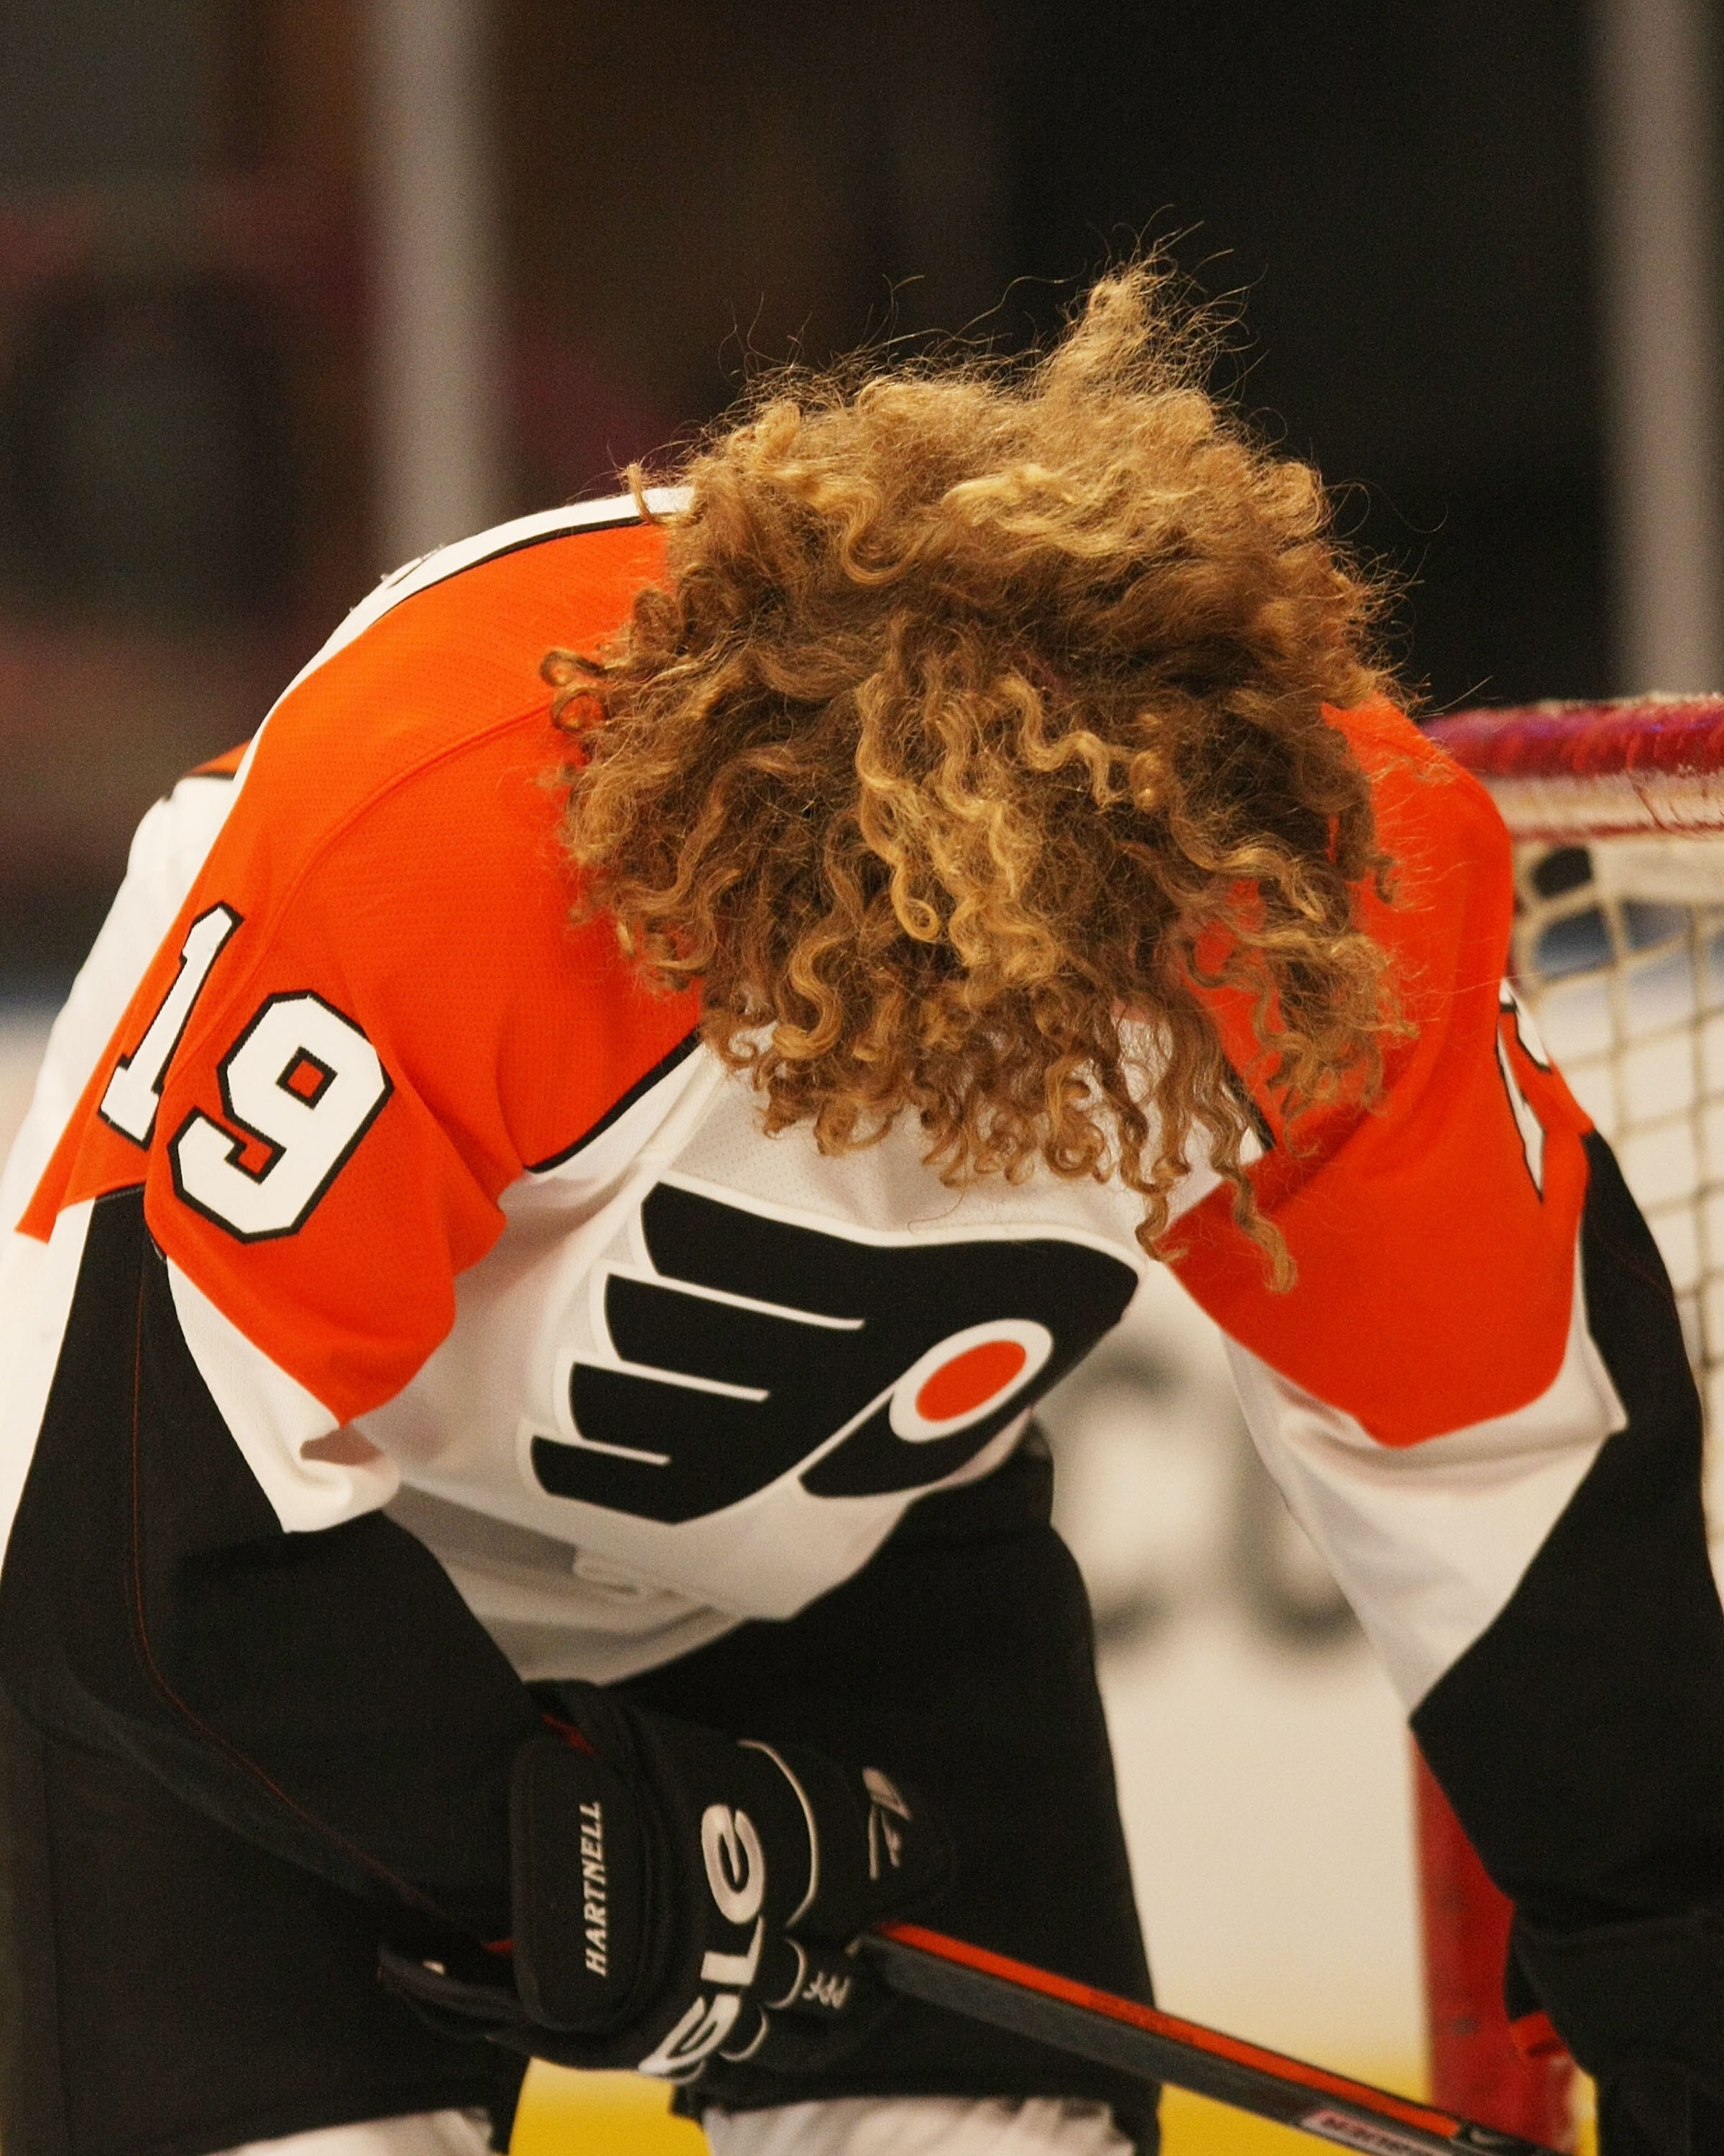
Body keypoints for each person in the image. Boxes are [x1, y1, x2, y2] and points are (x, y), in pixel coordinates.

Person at [0, 264, 1718, 2156]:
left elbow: (1505, 1467)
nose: (1026, 1106)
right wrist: (548, 1837)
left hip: (835, 1546)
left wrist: (1674, 1974)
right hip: (268, 1613)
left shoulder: (1309, 883)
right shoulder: (441, 840)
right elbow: (148, 1555)